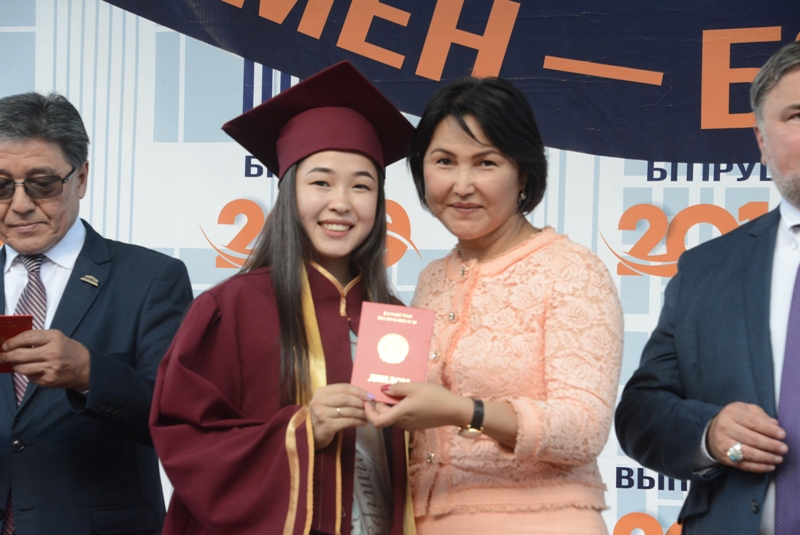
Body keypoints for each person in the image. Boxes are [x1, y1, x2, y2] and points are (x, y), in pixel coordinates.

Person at [149, 61, 416, 535]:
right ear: (289, 192)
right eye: (320, 182)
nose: (341, 202)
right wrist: (302, 430)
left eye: (362, 185)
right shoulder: (230, 308)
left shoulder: (396, 320)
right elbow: (186, 437)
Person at [365, 77, 624, 534]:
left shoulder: (571, 269)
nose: (462, 185)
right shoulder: (431, 279)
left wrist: (465, 411)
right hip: (424, 519)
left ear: (523, 173)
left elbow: (585, 429)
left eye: (485, 162)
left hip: (539, 522)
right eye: (444, 161)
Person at [615, 40, 800, 534]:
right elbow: (640, 413)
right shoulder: (704, 270)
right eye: (797, 115)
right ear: (761, 139)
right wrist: (710, 433)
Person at [0, 92, 192, 534]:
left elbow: (179, 418)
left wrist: (89, 374)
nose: (21, 204)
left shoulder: (151, 279)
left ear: (81, 177)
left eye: (42, 183)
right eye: (1, 186)